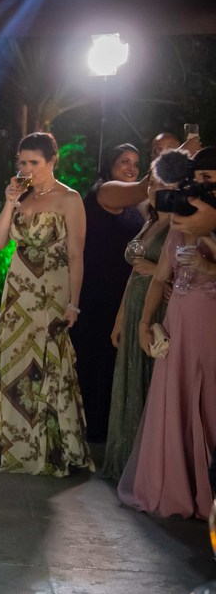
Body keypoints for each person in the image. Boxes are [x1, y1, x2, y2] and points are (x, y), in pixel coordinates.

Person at [0, 132, 92, 476]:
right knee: (12, 363)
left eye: (34, 162)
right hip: (18, 292)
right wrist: (9, 203)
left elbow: (76, 254)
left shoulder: (69, 198)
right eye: (22, 162)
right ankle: (10, 446)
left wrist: (74, 304)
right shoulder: (20, 196)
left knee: (48, 364)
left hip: (51, 292)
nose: (26, 169)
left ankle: (50, 450)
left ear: (52, 161)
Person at [119, 148, 216, 519]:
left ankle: (207, 490)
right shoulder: (180, 221)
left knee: (207, 400)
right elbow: (160, 278)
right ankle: (174, 485)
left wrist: (208, 257)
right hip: (178, 322)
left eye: (208, 178)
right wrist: (144, 324)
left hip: (209, 324)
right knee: (173, 399)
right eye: (198, 178)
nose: (201, 186)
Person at [101, 154, 179, 481]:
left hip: (159, 308)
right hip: (135, 305)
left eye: (162, 184)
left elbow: (185, 273)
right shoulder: (149, 221)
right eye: (152, 183)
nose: (155, 189)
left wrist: (156, 270)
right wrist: (121, 318)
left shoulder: (180, 224)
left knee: (150, 381)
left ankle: (148, 468)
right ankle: (125, 460)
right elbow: (133, 275)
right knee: (129, 380)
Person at [72, 144, 144, 444]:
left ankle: (113, 430)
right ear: (110, 166)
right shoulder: (105, 192)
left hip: (123, 295)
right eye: (124, 161)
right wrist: (178, 156)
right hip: (96, 295)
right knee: (95, 363)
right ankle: (90, 431)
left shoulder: (135, 206)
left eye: (136, 163)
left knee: (115, 364)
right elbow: (143, 188)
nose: (131, 168)